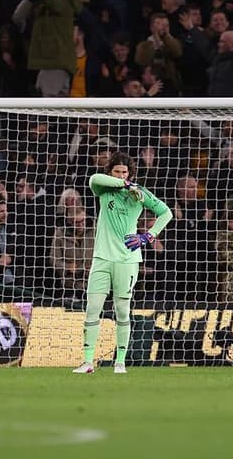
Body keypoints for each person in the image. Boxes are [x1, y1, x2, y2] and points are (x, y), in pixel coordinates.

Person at [73, 152, 172, 374]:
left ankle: (120, 362)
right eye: (116, 172)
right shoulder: (104, 188)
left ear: (130, 173)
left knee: (122, 311)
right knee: (92, 309)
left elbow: (166, 213)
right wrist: (126, 184)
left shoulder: (140, 194)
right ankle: (87, 362)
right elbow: (94, 179)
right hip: (101, 258)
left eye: (124, 172)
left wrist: (147, 236)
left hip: (127, 260)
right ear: (111, 173)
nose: (120, 175)